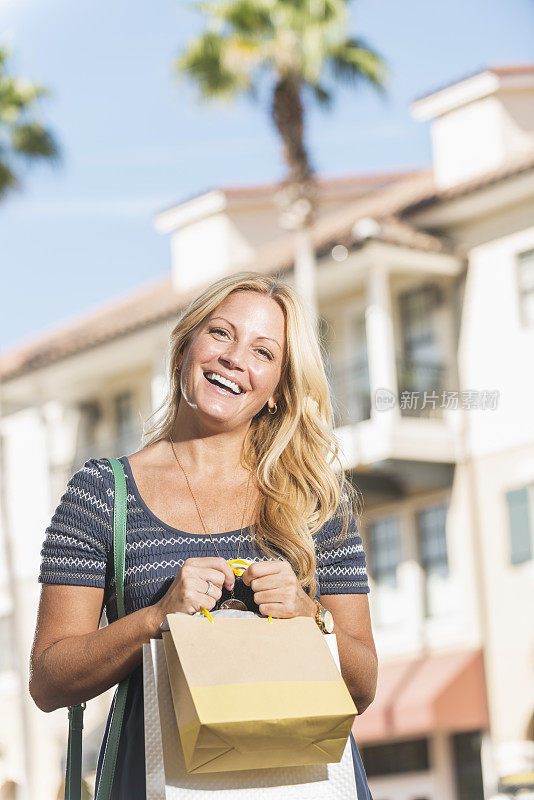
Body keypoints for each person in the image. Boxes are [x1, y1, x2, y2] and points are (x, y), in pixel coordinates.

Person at [29, 271, 378, 799]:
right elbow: (49, 679)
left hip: (301, 783)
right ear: (185, 347)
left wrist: (308, 615)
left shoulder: (317, 500)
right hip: (152, 780)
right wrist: (157, 617)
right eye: (220, 333)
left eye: (263, 352)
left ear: (279, 391)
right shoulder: (102, 494)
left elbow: (364, 683)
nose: (235, 358)